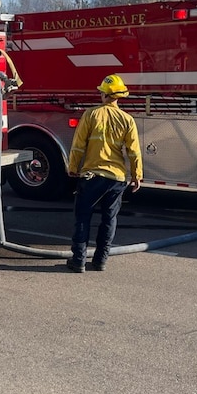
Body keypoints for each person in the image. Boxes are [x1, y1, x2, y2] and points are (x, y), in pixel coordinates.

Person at [66, 74, 142, 272]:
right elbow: (134, 151)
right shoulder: (127, 120)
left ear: (103, 94)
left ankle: (79, 261)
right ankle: (100, 261)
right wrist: (136, 176)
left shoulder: (91, 115)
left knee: (83, 217)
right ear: (119, 96)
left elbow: (78, 145)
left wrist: (73, 167)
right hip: (116, 179)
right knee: (109, 219)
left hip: (92, 176)